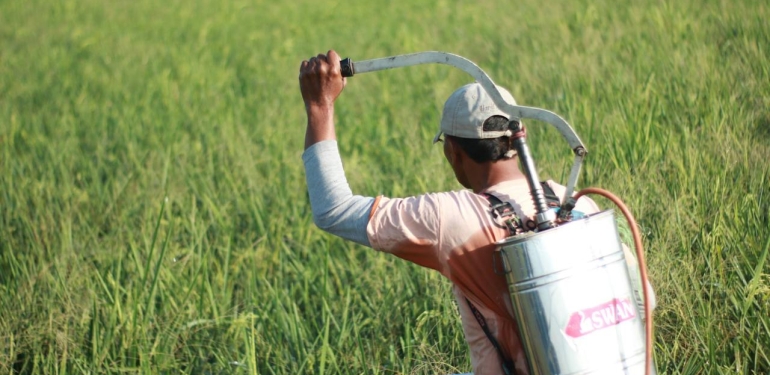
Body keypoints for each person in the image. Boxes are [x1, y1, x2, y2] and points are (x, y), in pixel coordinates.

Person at [299, 50, 651, 375]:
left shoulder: (450, 217)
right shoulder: (576, 202)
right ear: (518, 139)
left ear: (452, 151)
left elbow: (333, 209)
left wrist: (319, 107)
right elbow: (644, 300)